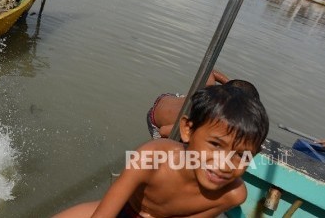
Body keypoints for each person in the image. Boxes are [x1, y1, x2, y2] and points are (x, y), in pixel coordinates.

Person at [54, 84, 269, 218]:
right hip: (121, 211)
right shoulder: (152, 158)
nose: (224, 164)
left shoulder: (232, 195)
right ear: (187, 130)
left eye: (240, 155)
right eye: (215, 145)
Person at [147, 70, 230, 139]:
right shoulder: (199, 122)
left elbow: (209, 72)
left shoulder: (209, 94)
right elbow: (163, 131)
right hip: (154, 119)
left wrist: (230, 84)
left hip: (167, 99)